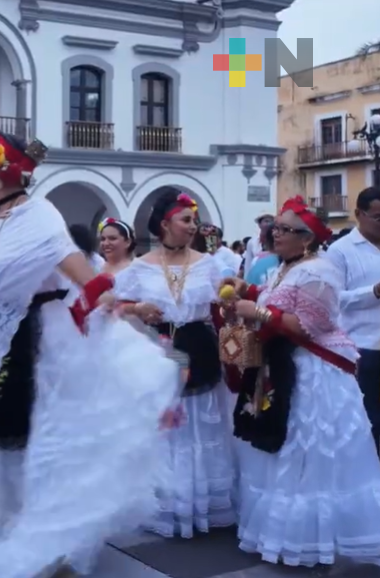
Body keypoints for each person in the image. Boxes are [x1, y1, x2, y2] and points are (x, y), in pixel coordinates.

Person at [0, 128, 179, 577]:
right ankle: (9, 530)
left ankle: (50, 546)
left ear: (0, 170)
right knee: (2, 450)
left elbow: (78, 269)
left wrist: (108, 300)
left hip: (40, 350)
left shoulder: (40, 217)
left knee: (42, 447)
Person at [222, 196, 380, 566]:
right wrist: (247, 291)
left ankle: (321, 539)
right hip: (285, 368)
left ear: (306, 239)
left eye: (285, 229)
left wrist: (254, 310)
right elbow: (279, 302)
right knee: (287, 453)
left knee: (313, 456)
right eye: (276, 226)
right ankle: (287, 534)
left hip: (315, 375)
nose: (275, 233)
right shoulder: (281, 268)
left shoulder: (319, 270)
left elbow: (309, 325)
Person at [113, 187, 236, 539]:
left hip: (199, 346)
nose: (193, 226)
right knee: (169, 425)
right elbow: (113, 305)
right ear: (165, 224)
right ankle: (169, 503)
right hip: (161, 349)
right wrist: (137, 309)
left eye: (194, 220)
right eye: (186, 220)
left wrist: (233, 298)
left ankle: (203, 503)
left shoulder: (209, 264)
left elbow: (225, 303)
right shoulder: (140, 267)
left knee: (200, 422)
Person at [325, 187, 380, 479]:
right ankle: (365, 484)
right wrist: (376, 291)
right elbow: (333, 299)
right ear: (359, 214)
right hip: (364, 347)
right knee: (369, 420)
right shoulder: (340, 251)